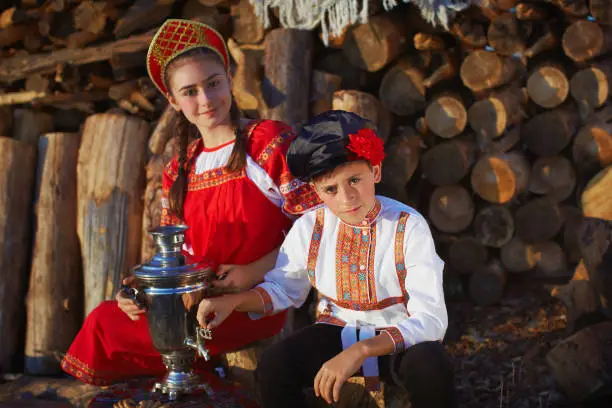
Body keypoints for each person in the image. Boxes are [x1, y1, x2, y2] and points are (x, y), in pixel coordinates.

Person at [61, 18, 321, 385]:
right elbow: (175, 254)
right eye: (190, 91)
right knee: (106, 319)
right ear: (173, 100)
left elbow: (319, 225)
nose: (205, 99)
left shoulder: (268, 142)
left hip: (256, 300)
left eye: (213, 83)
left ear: (229, 78)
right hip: (194, 298)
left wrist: (250, 272)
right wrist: (136, 292)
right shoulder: (180, 167)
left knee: (143, 330)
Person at [196, 110, 457, 408]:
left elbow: (431, 320)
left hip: (397, 337)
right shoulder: (310, 227)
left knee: (431, 363)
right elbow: (284, 288)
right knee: (274, 365)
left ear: (375, 171)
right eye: (330, 189)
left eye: (354, 180)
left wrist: (361, 351)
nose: (347, 198)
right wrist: (233, 302)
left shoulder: (408, 225)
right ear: (316, 191)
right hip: (337, 331)